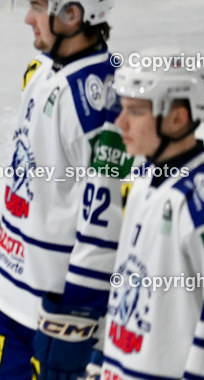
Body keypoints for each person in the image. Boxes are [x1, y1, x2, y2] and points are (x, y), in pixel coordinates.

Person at [0, 0, 130, 380]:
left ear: (72, 14)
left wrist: (79, 312)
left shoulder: (100, 101)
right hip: (17, 297)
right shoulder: (46, 72)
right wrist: (6, 232)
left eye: (37, 5)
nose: (28, 18)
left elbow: (107, 217)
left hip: (56, 314)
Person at [103, 49, 204, 379]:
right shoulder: (142, 178)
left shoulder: (194, 200)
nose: (120, 122)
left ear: (177, 117)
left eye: (136, 111)